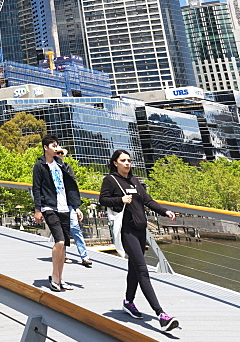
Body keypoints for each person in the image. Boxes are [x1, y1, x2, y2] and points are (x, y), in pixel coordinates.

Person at [100, 150, 179, 331]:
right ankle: (162, 315)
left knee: (134, 270)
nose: (127, 163)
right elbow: (103, 199)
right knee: (143, 270)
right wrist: (120, 199)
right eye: (123, 160)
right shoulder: (111, 180)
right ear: (115, 163)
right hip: (126, 231)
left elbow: (148, 201)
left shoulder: (135, 181)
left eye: (129, 160)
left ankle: (128, 302)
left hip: (140, 230)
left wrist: (165, 211)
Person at [32, 134, 83, 291]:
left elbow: (70, 187)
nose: (56, 148)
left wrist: (76, 207)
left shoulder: (62, 165)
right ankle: (54, 278)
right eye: (53, 145)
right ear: (46, 148)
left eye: (57, 145)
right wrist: (38, 209)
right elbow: (36, 187)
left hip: (64, 207)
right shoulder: (39, 166)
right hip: (49, 207)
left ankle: (60, 280)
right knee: (59, 241)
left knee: (64, 246)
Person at [54, 147, 92, 268]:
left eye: (61, 153)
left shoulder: (67, 167)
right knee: (61, 230)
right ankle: (62, 255)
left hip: (68, 204)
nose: (60, 155)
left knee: (75, 228)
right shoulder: (48, 167)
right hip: (55, 204)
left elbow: (72, 188)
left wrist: (76, 207)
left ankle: (84, 256)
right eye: (57, 153)